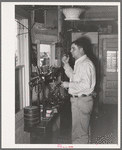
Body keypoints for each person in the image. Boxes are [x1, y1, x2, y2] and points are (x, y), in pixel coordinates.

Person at [61, 37, 96, 144]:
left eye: (73, 48)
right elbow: (74, 77)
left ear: (81, 49)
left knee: (79, 135)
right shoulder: (80, 62)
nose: (70, 51)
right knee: (80, 131)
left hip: (81, 101)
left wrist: (68, 84)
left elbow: (85, 85)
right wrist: (66, 64)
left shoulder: (85, 64)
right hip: (80, 101)